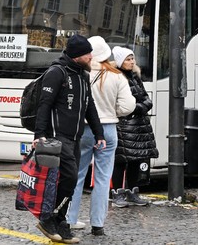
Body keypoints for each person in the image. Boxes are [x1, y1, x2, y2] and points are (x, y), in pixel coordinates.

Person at [33, 34, 106, 243]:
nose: (91, 56)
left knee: (69, 183)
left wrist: (99, 133)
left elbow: (89, 105)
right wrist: (39, 135)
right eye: (87, 53)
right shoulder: (57, 72)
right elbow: (44, 105)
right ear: (76, 56)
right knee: (71, 177)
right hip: (58, 137)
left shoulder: (82, 75)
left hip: (76, 137)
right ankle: (48, 218)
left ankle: (60, 221)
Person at [66, 36, 135, 237]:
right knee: (103, 178)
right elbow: (128, 106)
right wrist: (113, 112)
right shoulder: (116, 76)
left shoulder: (79, 74)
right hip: (108, 129)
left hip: (84, 129)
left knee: (77, 175)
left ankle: (70, 219)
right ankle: (98, 224)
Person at [110, 46, 158, 207]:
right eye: (128, 59)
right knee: (121, 160)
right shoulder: (115, 77)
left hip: (139, 124)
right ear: (120, 61)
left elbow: (146, 99)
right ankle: (117, 193)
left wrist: (139, 108)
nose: (132, 62)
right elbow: (118, 103)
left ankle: (132, 192)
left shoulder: (135, 76)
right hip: (124, 125)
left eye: (133, 59)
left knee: (136, 160)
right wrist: (136, 108)